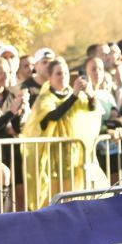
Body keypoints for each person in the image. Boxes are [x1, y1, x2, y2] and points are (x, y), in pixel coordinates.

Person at [21, 59, 105, 208]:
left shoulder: (77, 96)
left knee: (75, 196)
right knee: (54, 197)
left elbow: (92, 110)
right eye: (58, 73)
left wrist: (90, 95)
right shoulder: (44, 98)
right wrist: (74, 96)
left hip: (74, 156)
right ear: (50, 76)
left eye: (66, 73)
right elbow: (53, 116)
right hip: (52, 157)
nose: (63, 77)